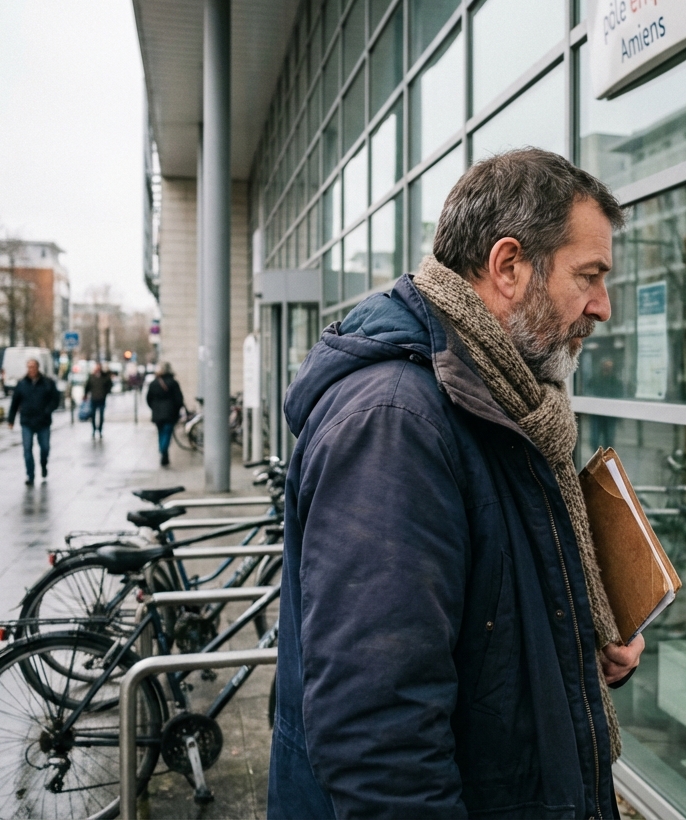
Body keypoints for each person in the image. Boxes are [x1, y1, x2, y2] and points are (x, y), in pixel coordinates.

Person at [268, 149, 644, 820]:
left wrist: (582, 643)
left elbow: (492, 623)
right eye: (589, 276)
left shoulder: (503, 398)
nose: (603, 306)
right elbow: (380, 739)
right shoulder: (396, 423)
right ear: (508, 267)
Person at [8, 358, 59, 485]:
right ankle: (30, 475)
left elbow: (55, 399)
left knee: (45, 448)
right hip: (27, 421)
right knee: (27, 449)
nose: (31, 370)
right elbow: (15, 402)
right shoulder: (22, 384)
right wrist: (11, 420)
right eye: (29, 367)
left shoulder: (47, 382)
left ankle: (43, 465)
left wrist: (47, 410)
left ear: (37, 368)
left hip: (43, 421)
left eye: (33, 367)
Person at [146, 362, 184, 467]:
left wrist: (154, 408)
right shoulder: (173, 383)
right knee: (167, 432)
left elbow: (148, 399)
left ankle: (163, 451)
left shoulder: (154, 383)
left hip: (157, 413)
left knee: (161, 432)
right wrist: (176, 410)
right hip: (170, 413)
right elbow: (179, 399)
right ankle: (163, 450)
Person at [83, 361, 114, 438]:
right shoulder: (92, 377)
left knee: (101, 416)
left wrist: (106, 392)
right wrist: (85, 394)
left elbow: (109, 384)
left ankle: (100, 430)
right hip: (94, 399)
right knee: (93, 415)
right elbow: (87, 386)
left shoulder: (104, 376)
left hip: (102, 399)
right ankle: (94, 429)